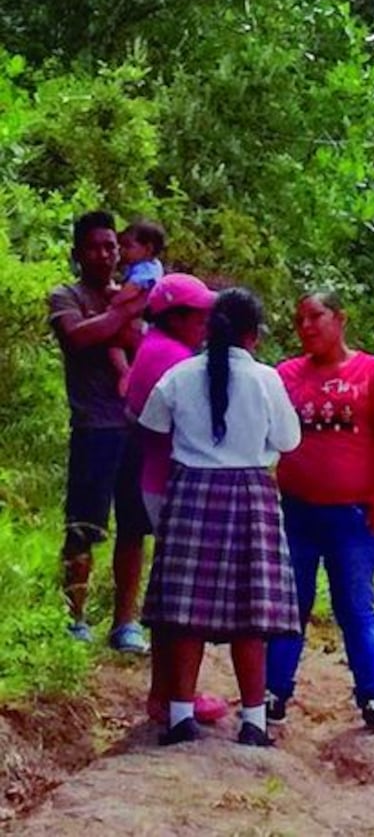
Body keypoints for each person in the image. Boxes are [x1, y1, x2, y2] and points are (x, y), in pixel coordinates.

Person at [139, 287, 302, 747]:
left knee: (185, 613)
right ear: (253, 335)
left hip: (190, 492)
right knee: (251, 613)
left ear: (210, 329)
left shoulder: (179, 375)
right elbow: (288, 441)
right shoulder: (266, 379)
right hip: (250, 493)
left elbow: (152, 425)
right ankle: (254, 722)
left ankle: (179, 717)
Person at [266, 291, 374, 735]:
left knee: (355, 605)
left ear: (340, 319)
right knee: (291, 605)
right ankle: (273, 694)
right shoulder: (285, 375)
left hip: (353, 516)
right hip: (296, 513)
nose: (306, 326)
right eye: (299, 319)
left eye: (316, 316)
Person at [123, 272, 229, 727]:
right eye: (199, 315)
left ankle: (167, 692)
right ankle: (171, 695)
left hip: (156, 476)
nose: (205, 323)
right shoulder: (174, 360)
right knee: (181, 595)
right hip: (172, 482)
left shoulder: (155, 348)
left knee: (171, 587)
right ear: (176, 316)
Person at [49, 210, 151, 651]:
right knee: (82, 526)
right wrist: (121, 316)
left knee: (133, 526)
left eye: (111, 246)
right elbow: (76, 338)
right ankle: (74, 618)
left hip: (135, 425)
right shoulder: (65, 295)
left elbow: (142, 343)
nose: (105, 254)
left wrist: (109, 323)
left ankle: (125, 622)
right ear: (78, 253)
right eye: (94, 247)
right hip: (93, 426)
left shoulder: (128, 294)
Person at [109, 220, 167, 397]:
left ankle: (125, 372)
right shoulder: (153, 266)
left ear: (147, 249)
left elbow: (133, 289)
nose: (122, 251)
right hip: (144, 321)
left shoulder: (145, 269)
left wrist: (114, 302)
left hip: (137, 319)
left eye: (128, 246)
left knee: (114, 344)